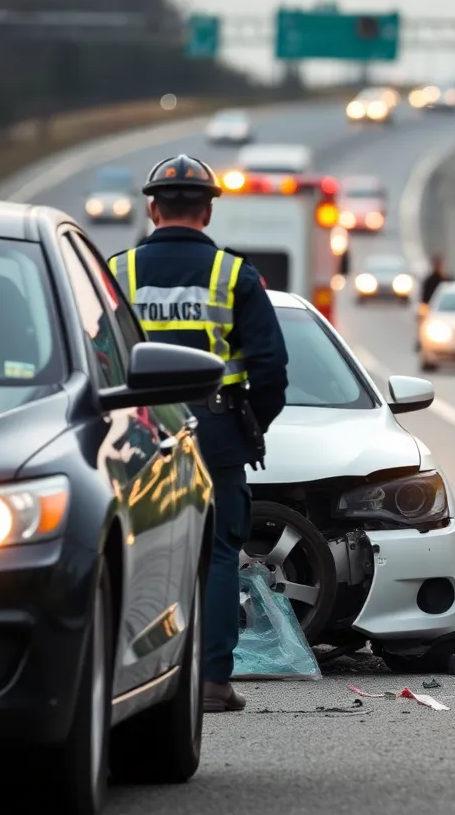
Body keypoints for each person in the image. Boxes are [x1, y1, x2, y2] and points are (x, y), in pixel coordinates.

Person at [108, 154, 289, 712]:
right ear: (208, 211)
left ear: (151, 208)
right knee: (214, 552)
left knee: (127, 550)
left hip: (132, 428)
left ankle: (126, 680)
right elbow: (271, 369)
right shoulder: (235, 275)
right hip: (212, 430)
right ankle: (211, 681)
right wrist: (249, 425)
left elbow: (95, 354)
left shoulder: (114, 272)